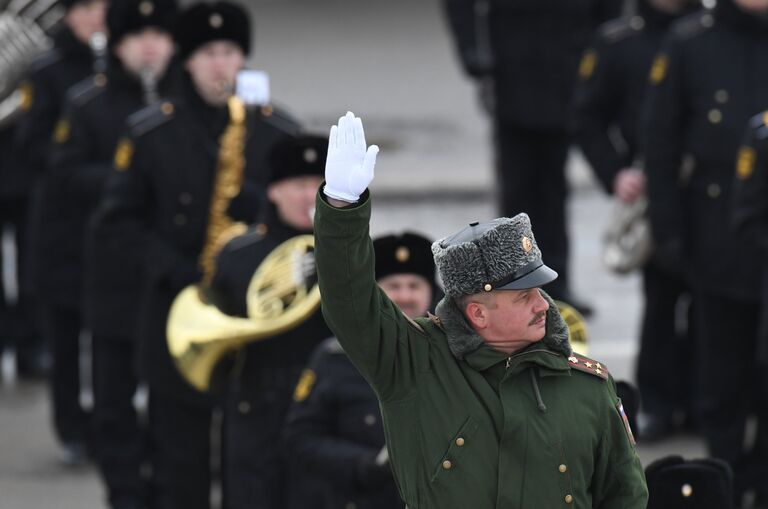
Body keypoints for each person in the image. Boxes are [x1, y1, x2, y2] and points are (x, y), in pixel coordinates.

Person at [313, 112, 648, 508]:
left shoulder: (588, 387)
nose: (543, 305)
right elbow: (349, 301)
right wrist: (342, 209)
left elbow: (625, 495)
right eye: (523, 297)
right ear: (477, 314)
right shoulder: (413, 364)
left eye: (539, 291)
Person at [92, 2, 299, 506]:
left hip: (255, 321)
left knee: (251, 462)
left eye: (230, 52)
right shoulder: (152, 132)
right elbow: (116, 222)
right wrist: (172, 266)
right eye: (208, 53)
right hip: (176, 314)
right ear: (187, 60)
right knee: (177, 462)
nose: (220, 65)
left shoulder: (277, 134)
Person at [48, 0, 179, 505]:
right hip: (111, 271)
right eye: (137, 36)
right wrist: (131, 182)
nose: (150, 46)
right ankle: (125, 493)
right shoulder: (90, 104)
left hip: (169, 275)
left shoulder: (185, 105)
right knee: (113, 399)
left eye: (160, 35)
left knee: (173, 399)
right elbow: (63, 172)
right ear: (118, 44)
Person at [643, 0, 768, 503]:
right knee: (723, 373)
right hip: (719, 233)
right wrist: (668, 230)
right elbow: (661, 141)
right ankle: (726, 475)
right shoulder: (692, 43)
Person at [441, 0, 622, 316]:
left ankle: (555, 280)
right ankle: (513, 281)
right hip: (514, 63)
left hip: (567, 59)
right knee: (518, 185)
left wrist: (603, 49)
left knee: (554, 186)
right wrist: (474, 53)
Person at [571, 0, 699, 441]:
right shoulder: (619, 42)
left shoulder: (714, 33)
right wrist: (615, 173)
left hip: (714, 192)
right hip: (656, 194)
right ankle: (660, 403)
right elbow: (587, 114)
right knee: (662, 301)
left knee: (718, 306)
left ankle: (706, 399)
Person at [13, 0, 108, 466]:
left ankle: (111, 422)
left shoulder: (129, 65)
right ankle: (72, 427)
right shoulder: (48, 71)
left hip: (113, 225)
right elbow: (33, 143)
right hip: (66, 223)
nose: (97, 16)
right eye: (86, 7)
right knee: (66, 335)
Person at [283, 231, 436, 509]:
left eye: (414, 285)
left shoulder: (450, 355)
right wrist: (363, 465)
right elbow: (301, 439)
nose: (404, 295)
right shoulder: (334, 358)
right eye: (394, 285)